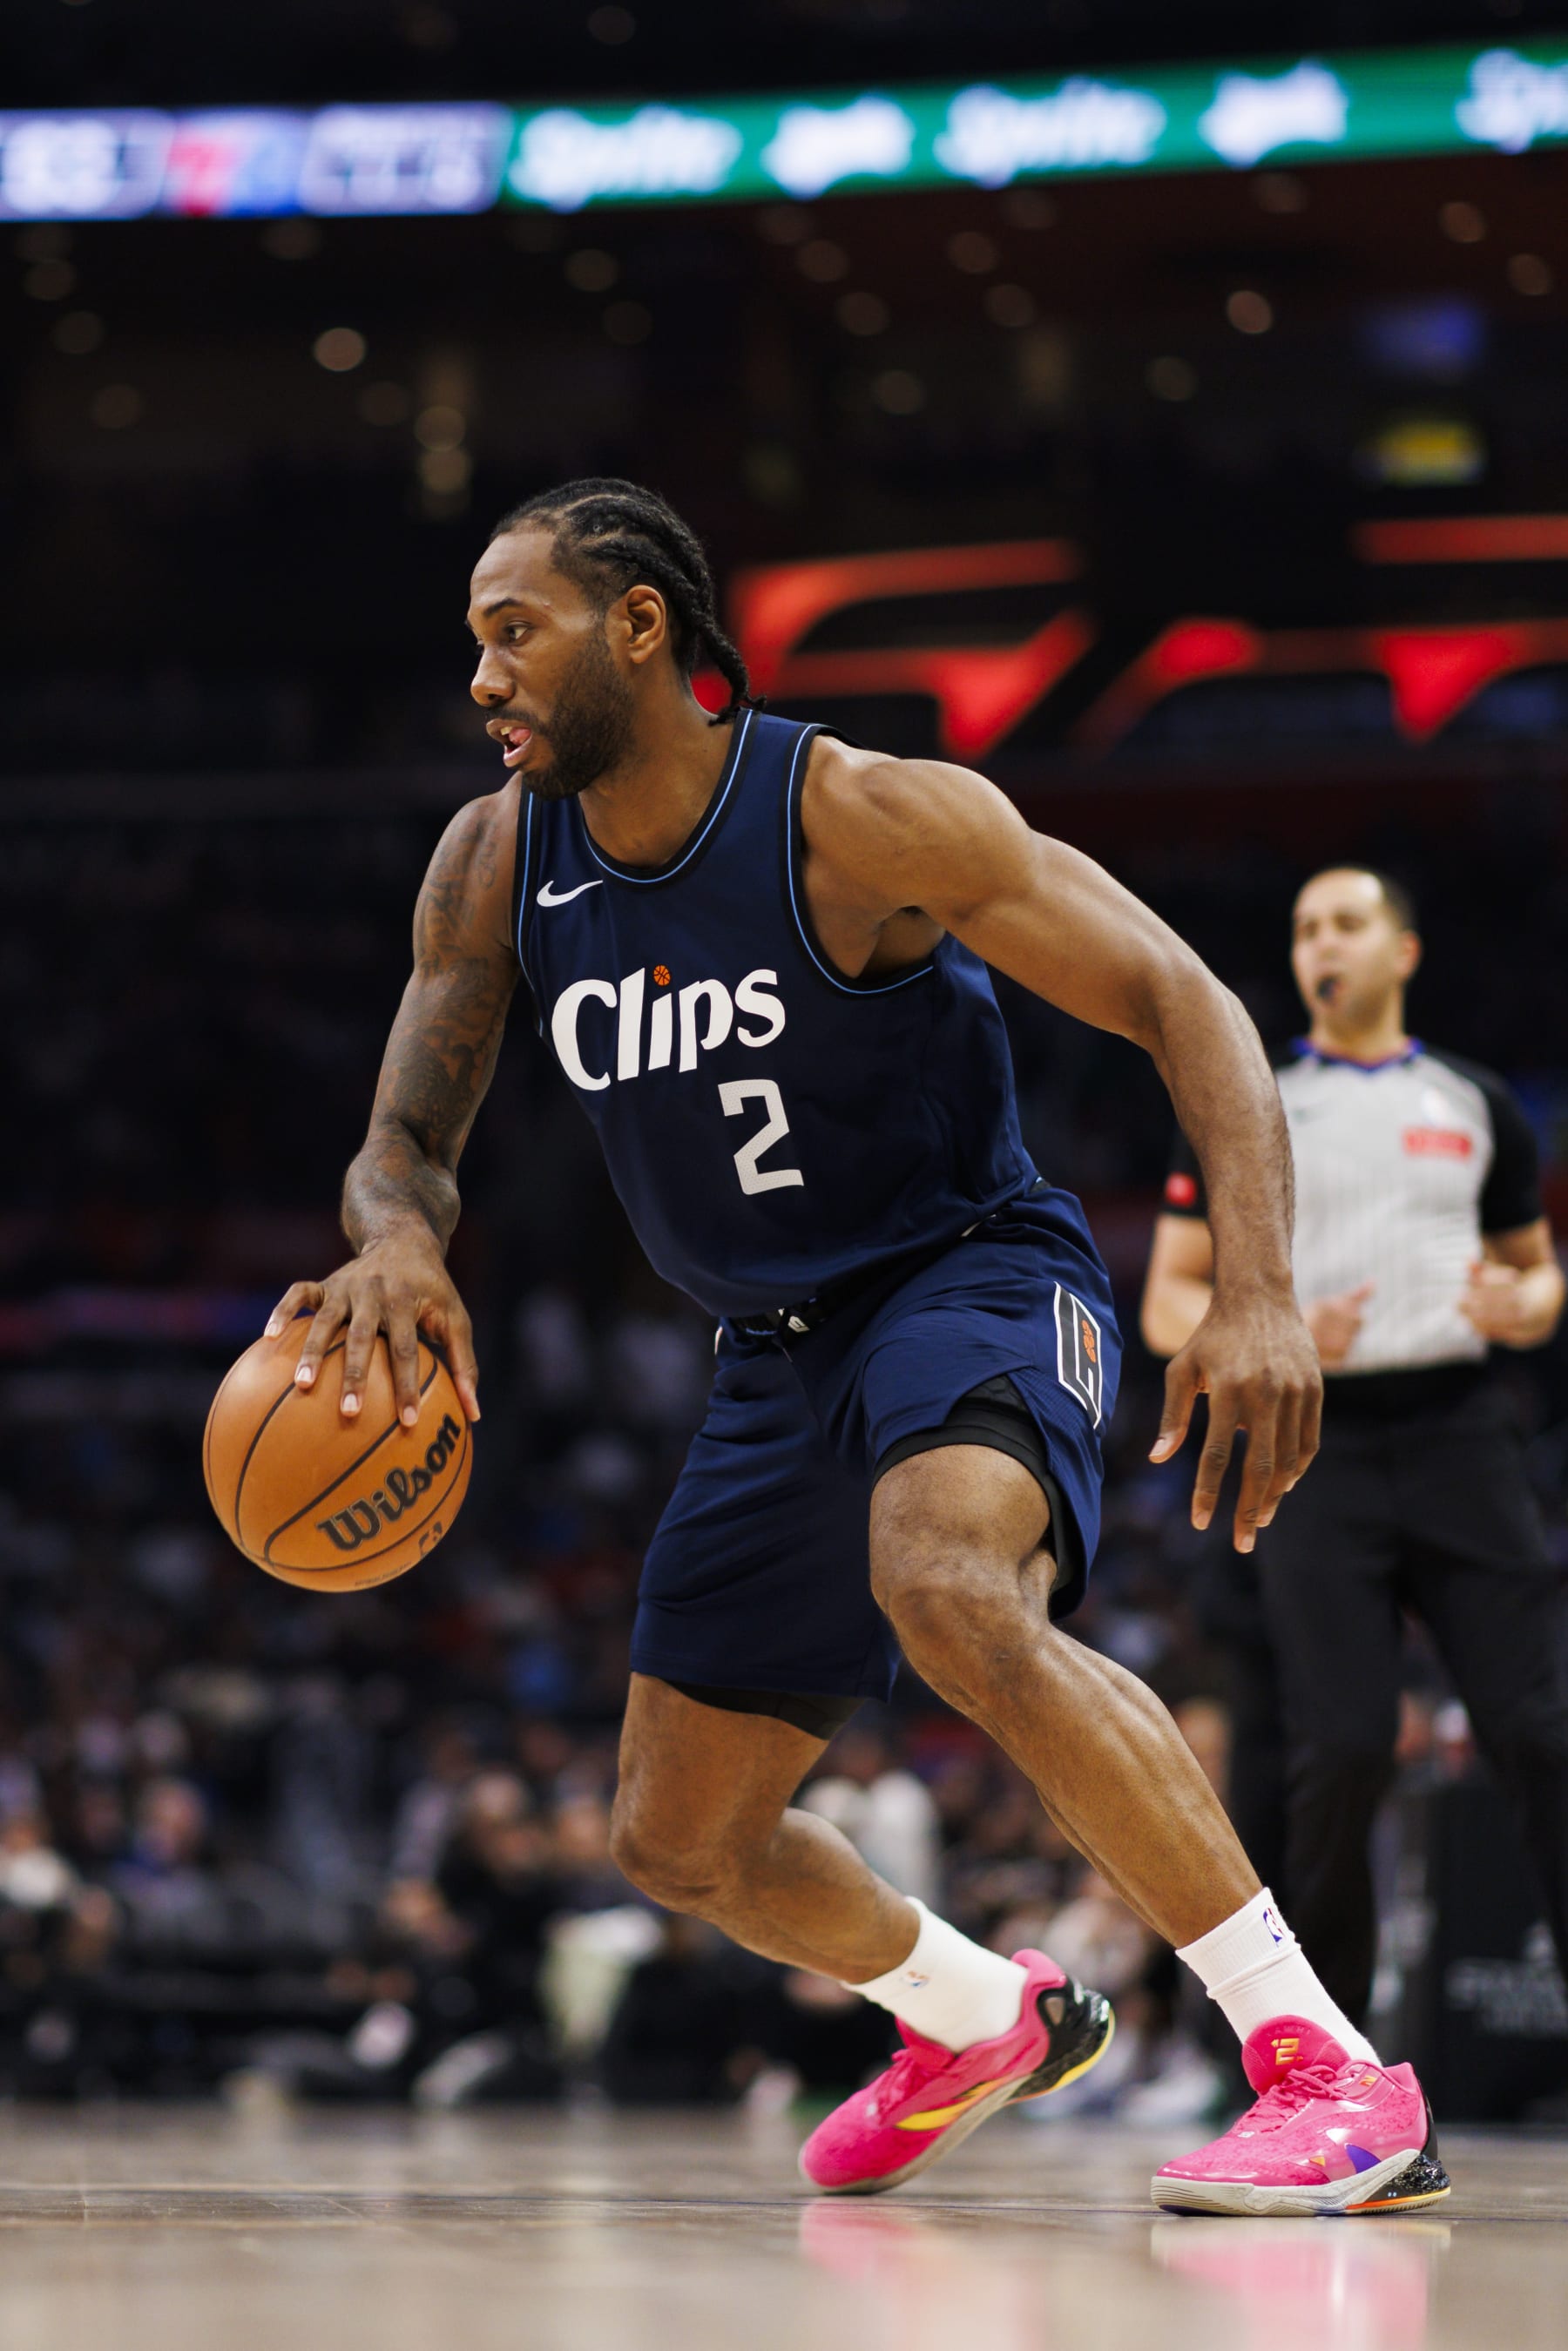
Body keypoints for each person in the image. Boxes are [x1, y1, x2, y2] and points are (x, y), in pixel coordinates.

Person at [266, 482, 1447, 2215]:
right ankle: (977, 2016)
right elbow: (405, 1141)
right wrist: (394, 1240)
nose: (483, 677)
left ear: (643, 626)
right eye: (473, 644)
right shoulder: (497, 858)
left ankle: (1326, 2067)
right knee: (681, 1840)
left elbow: (1182, 998)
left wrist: (1261, 1289)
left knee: (952, 1587)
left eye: (513, 630)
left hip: (964, 1273)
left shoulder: (861, 817)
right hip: (770, 1353)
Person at [1143, 864, 1568, 2033]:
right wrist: (1252, 1326)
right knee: (1339, 1750)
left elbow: (1537, 1271)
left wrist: (1526, 1304)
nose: (1320, 944)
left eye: (1345, 923)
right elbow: (1169, 1297)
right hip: (1310, 1445)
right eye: (1303, 929)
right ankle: (1324, 2057)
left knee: (1537, 1732)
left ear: (1403, 952)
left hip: (1462, 1434)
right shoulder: (1251, 1105)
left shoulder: (1476, 1100)